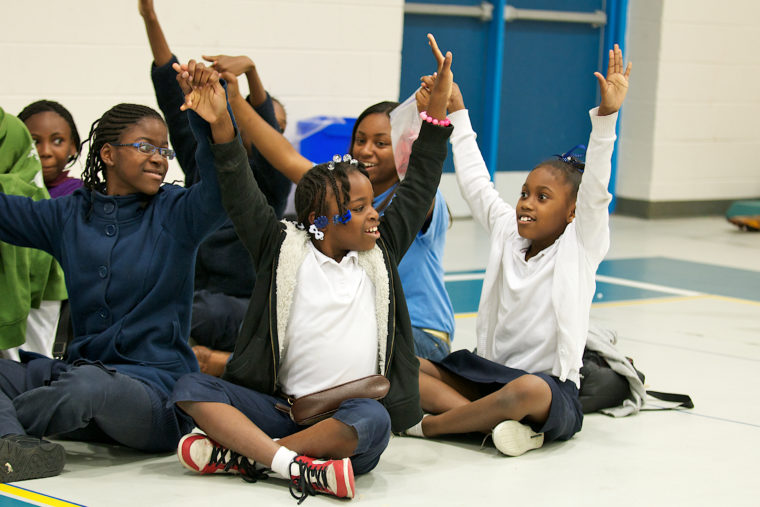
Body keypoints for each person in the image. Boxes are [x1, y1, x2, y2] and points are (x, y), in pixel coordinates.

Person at [169, 34, 453, 502]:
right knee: (190, 386)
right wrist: (221, 119)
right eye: (359, 208)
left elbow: (422, 177)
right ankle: (295, 465)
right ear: (321, 222)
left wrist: (436, 113)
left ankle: (251, 457)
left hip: (342, 417)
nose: (373, 214)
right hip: (280, 407)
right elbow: (239, 183)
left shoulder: (379, 254)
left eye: (370, 205)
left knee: (373, 422)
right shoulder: (281, 247)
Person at [0, 61, 243, 482]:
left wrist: (214, 124)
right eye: (145, 146)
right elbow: (6, 212)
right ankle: (14, 445)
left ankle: (8, 431)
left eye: (164, 151)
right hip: (78, 380)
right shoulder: (72, 215)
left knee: (89, 387)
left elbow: (226, 188)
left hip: (153, 398)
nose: (160, 159)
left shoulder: (178, 212)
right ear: (108, 154)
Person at [406, 45, 632, 457]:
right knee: (403, 364)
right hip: (488, 373)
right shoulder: (509, 232)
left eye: (543, 197)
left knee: (526, 390)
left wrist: (607, 121)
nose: (526, 202)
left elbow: (597, 190)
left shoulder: (581, 246)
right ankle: (494, 426)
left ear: (571, 212)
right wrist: (456, 109)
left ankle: (436, 426)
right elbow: (475, 182)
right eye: (526, 193)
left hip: (546, 389)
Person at [205, 59, 456, 365]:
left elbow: (421, 173)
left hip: (419, 334)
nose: (366, 150)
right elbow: (284, 155)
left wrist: (429, 115)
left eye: (382, 143)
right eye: (360, 140)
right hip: (361, 322)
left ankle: (229, 365)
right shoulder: (344, 193)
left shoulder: (421, 201)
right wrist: (231, 102)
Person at [138, 0, 292, 374]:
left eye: (273, 125)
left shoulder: (270, 179)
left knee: (191, 312)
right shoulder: (201, 158)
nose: (267, 128)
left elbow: (264, 123)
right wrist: (150, 18)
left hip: (241, 305)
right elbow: (168, 84)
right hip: (195, 293)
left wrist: (252, 73)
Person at [0, 107, 67, 360]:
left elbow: (27, 192)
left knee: (29, 370)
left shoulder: (12, 130)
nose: (46, 151)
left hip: (29, 265)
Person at [17, 100, 83, 198]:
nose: (46, 152)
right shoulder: (7, 191)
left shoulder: (81, 194)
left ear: (72, 146)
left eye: (57, 141)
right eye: (34, 142)